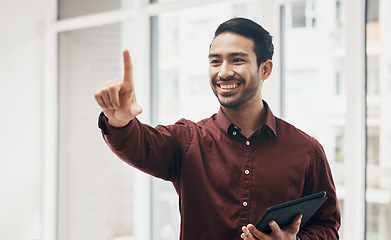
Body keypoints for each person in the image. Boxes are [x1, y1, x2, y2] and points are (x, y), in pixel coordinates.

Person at [94, 17, 340, 240]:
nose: (223, 72)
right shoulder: (187, 141)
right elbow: (139, 145)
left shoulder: (306, 151)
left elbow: (327, 226)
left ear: (265, 69)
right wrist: (119, 121)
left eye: (237, 60)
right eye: (215, 62)